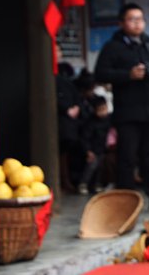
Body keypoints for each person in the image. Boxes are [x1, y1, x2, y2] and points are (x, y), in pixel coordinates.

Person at [94, 3, 149, 209]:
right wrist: (128, 75)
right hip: (128, 112)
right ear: (121, 23)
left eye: (140, 19)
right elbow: (100, 73)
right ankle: (126, 202)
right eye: (132, 19)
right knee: (127, 158)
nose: (137, 23)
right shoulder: (113, 46)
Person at [55, 46, 83, 193]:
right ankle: (62, 181)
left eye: (59, 50)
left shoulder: (65, 71)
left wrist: (77, 106)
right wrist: (66, 109)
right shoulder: (47, 74)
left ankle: (69, 180)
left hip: (71, 119)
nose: (57, 53)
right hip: (59, 120)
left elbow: (76, 92)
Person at [78, 95, 111, 195]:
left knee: (100, 168)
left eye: (104, 109)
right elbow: (85, 138)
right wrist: (88, 150)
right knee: (91, 168)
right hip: (93, 149)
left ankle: (97, 184)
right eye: (100, 110)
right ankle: (83, 184)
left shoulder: (108, 120)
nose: (103, 112)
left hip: (103, 149)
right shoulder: (91, 123)